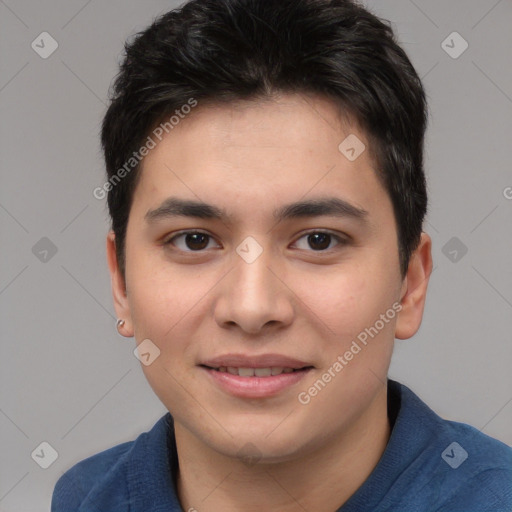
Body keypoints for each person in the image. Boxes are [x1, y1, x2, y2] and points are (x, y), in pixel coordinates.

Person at [51, 0, 512, 510]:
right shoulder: (83, 498)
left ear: (410, 282)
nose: (252, 309)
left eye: (319, 240)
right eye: (194, 240)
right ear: (121, 283)